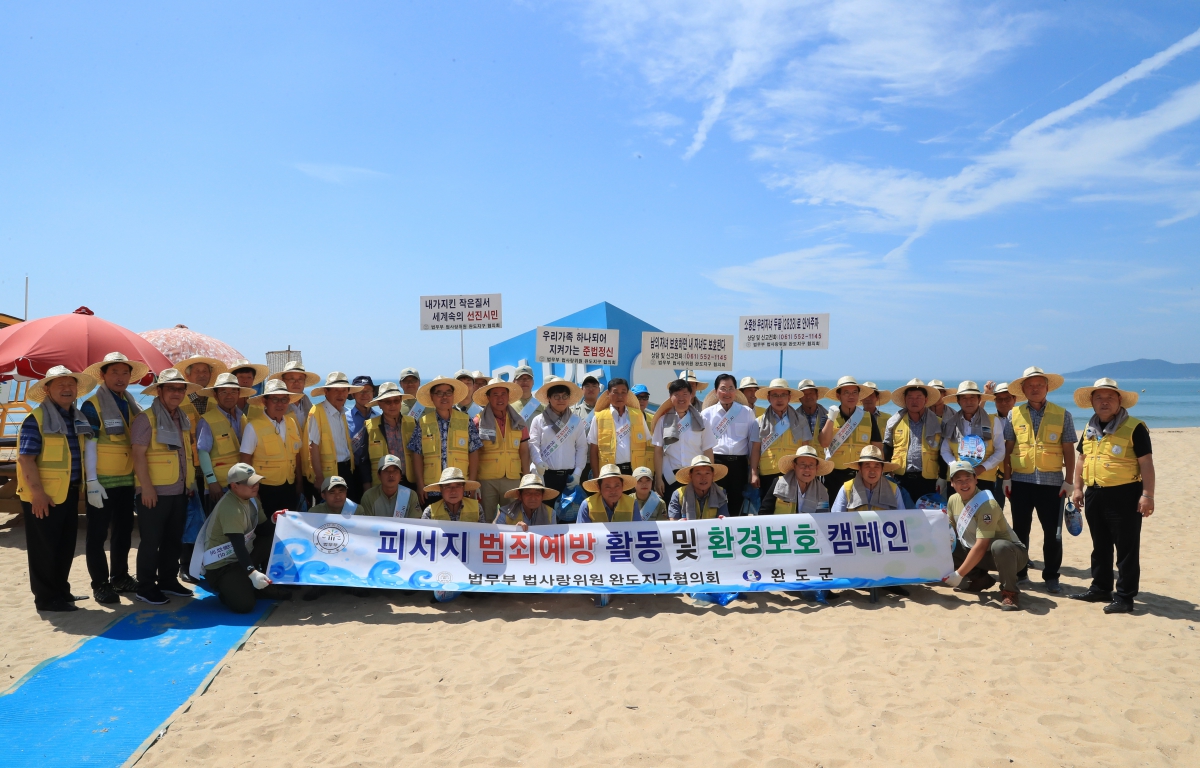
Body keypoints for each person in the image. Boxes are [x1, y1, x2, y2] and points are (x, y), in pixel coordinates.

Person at [1069, 379, 1155, 614]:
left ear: (1119, 401)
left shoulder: (1135, 427)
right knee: (1100, 546)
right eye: (1099, 398)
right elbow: (1082, 460)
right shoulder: (1089, 427)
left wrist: (1147, 495)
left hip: (1125, 494)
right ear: (1092, 403)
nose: (1104, 402)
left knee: (1126, 548)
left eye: (1110, 397)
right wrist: (1077, 488)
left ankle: (1125, 597)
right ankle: (1100, 588)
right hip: (1094, 494)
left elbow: (1146, 464)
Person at [16, 366, 97, 612]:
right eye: (59, 384)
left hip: (69, 491)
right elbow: (26, 459)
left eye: (70, 384)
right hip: (44, 496)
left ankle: (61, 591)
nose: (66, 388)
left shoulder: (76, 417)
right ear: (47, 390)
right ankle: (46, 598)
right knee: (44, 549)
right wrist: (37, 494)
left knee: (64, 546)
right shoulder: (36, 419)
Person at [80, 352, 148, 603]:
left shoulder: (131, 403)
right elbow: (89, 444)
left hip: (127, 479)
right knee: (97, 535)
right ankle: (100, 583)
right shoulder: (92, 405)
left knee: (124, 531)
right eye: (114, 372)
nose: (120, 378)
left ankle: (119, 577)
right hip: (102, 481)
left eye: (125, 373)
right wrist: (92, 482)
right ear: (103, 375)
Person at [1003, 366, 1076, 594]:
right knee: (1020, 531)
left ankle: (1051, 576)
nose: (1035, 389)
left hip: (1052, 483)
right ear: (1023, 389)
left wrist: (1070, 480)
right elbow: (1008, 449)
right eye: (1030, 385)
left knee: (1052, 534)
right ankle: (1021, 572)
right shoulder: (1013, 414)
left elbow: (1069, 450)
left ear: (1047, 388)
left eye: (1039, 385)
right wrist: (1006, 478)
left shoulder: (1063, 414)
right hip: (1021, 482)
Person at [131, 368, 200, 605]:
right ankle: (145, 586)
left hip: (179, 490)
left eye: (180, 389)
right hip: (154, 493)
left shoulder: (183, 418)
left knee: (173, 540)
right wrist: (146, 488)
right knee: (151, 541)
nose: (177, 393)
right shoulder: (146, 418)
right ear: (159, 391)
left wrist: (188, 483)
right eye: (171, 388)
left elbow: (185, 454)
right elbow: (138, 455)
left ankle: (168, 581)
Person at [190, 463, 284, 613]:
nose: (256, 485)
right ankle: (236, 587)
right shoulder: (231, 508)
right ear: (234, 486)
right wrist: (252, 573)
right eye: (250, 483)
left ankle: (265, 584)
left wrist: (274, 519)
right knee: (244, 606)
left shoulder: (252, 499)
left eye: (256, 481)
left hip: (241, 556)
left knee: (272, 537)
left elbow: (264, 529)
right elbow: (238, 545)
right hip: (222, 566)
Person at [943, 460, 1028, 611]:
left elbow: (982, 545)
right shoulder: (952, 500)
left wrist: (959, 574)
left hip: (1011, 555)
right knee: (945, 542)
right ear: (952, 483)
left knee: (999, 545)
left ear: (976, 479)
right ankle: (980, 579)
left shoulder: (988, 504)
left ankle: (1010, 593)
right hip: (981, 554)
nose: (964, 484)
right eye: (959, 480)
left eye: (968, 479)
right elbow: (950, 532)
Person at [239, 379, 305, 567]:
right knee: (265, 532)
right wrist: (253, 490)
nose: (280, 404)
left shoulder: (292, 423)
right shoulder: (254, 426)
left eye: (284, 399)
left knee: (287, 532)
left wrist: (299, 482)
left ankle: (283, 569)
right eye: (275, 399)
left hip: (289, 486)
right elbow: (245, 460)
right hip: (264, 490)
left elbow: (297, 455)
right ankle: (261, 571)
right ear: (264, 402)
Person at [407, 375, 482, 507]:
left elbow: (474, 452)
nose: (444, 397)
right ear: (432, 397)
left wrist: (472, 482)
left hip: (459, 487)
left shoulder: (466, 420)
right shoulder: (423, 422)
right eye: (439, 393)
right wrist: (420, 485)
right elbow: (417, 455)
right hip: (432, 489)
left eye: (448, 392)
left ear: (453, 396)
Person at [701, 373, 760, 517]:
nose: (727, 392)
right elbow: (702, 444)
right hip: (716, 462)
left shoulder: (746, 412)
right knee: (714, 502)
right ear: (716, 392)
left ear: (736, 391)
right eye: (723, 388)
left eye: (730, 388)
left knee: (736, 504)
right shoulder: (706, 414)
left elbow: (753, 444)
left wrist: (753, 471)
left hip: (739, 464)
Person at [472, 378, 530, 520]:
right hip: (486, 480)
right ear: (488, 398)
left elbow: (524, 451)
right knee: (484, 519)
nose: (500, 398)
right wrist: (473, 482)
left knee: (513, 518)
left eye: (503, 394)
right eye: (495, 395)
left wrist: (526, 479)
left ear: (508, 396)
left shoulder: (519, 421)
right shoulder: (478, 421)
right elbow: (474, 453)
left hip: (513, 478)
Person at [753, 378, 812, 515]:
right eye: (775, 395)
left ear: (789, 397)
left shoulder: (800, 420)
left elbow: (805, 448)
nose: (779, 399)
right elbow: (755, 449)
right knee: (767, 510)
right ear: (768, 398)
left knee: (793, 509)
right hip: (768, 473)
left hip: (792, 472)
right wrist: (753, 473)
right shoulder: (759, 422)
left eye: (783, 395)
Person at [819, 376, 882, 498]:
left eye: (854, 392)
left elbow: (877, 448)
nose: (851, 396)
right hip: (834, 474)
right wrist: (831, 418)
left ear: (859, 396)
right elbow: (824, 443)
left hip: (860, 473)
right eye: (846, 393)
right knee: (835, 511)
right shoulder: (827, 417)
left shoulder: (868, 417)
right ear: (839, 396)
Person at [652, 379, 715, 501]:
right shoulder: (662, 421)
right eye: (677, 395)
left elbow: (708, 450)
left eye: (685, 394)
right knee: (672, 514)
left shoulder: (702, 421)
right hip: (670, 476)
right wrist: (658, 478)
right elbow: (658, 451)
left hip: (695, 475)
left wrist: (710, 475)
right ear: (671, 397)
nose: (681, 398)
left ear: (691, 395)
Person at [883, 379, 944, 503]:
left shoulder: (939, 423)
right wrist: (885, 473)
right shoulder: (894, 422)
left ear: (926, 400)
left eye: (918, 397)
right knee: (902, 516)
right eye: (910, 397)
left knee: (926, 517)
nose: (914, 401)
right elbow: (887, 448)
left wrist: (942, 478)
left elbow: (943, 452)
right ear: (905, 400)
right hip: (901, 478)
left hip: (928, 480)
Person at [940, 381, 1006, 496]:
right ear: (958, 401)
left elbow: (1000, 451)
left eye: (972, 397)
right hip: (957, 479)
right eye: (964, 398)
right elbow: (945, 450)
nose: (968, 401)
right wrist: (956, 467)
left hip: (984, 477)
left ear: (979, 399)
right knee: (957, 513)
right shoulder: (951, 423)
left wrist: (982, 468)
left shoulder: (993, 421)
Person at [269, 360, 321, 505]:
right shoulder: (278, 404)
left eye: (300, 379)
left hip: (308, 466)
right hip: (289, 467)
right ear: (283, 381)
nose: (296, 383)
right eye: (291, 379)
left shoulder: (306, 401)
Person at [527, 376, 589, 498]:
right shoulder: (538, 420)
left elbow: (582, 447)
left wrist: (577, 473)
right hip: (545, 475)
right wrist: (538, 463)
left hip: (569, 477)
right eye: (556, 396)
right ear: (549, 398)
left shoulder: (575, 421)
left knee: (568, 516)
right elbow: (533, 444)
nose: (561, 400)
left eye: (565, 396)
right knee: (547, 513)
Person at [195, 373, 253, 502]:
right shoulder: (207, 420)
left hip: (242, 482)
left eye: (233, 391)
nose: (229, 396)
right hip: (220, 486)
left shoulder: (243, 418)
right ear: (215, 395)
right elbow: (203, 452)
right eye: (223, 392)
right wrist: (212, 481)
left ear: (239, 394)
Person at [307, 372, 362, 502]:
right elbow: (312, 446)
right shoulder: (317, 411)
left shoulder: (343, 412)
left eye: (344, 390)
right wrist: (319, 477)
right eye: (336, 390)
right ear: (326, 391)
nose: (340, 394)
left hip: (347, 469)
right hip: (328, 474)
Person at [590, 378, 653, 478]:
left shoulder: (638, 415)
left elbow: (646, 446)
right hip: (609, 472)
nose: (620, 396)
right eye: (615, 392)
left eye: (623, 392)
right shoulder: (599, 417)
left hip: (635, 471)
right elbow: (593, 450)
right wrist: (597, 476)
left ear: (627, 394)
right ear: (608, 394)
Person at [831, 446, 906, 513]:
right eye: (867, 466)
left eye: (876, 466)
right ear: (860, 468)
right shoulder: (847, 488)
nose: (872, 471)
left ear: (882, 469)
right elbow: (836, 519)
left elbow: (902, 518)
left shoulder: (893, 489)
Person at [364, 382, 411, 488]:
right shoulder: (369, 426)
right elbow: (364, 461)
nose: (393, 405)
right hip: (382, 484)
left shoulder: (413, 423)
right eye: (388, 402)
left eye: (396, 401)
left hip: (409, 482)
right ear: (380, 404)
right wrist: (366, 486)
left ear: (401, 402)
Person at [772, 445, 832, 515]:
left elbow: (823, 517)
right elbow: (764, 513)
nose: (807, 469)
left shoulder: (822, 492)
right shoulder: (779, 483)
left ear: (817, 468)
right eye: (802, 465)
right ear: (795, 466)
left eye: (811, 465)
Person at [346, 375, 379, 499]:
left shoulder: (379, 417)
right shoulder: (344, 418)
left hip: (375, 470)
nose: (364, 394)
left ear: (373, 393)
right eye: (360, 391)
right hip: (352, 473)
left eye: (368, 390)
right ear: (353, 394)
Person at [667, 455, 729, 520]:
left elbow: (725, 519)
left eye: (707, 473)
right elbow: (673, 522)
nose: (703, 478)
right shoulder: (678, 494)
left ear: (713, 475)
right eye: (698, 473)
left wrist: (723, 520)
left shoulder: (720, 492)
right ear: (691, 475)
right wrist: (679, 524)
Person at [988, 381, 1018, 510]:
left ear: (1014, 399)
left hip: (1017, 472)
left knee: (1019, 511)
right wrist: (985, 394)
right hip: (996, 473)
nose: (1003, 402)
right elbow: (974, 414)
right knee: (994, 510)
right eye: (999, 399)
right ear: (994, 401)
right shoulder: (989, 420)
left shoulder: (1022, 419)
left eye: (1007, 398)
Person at [495, 473, 560, 527]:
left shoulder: (551, 513)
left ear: (542, 496)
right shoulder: (506, 514)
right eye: (528, 493)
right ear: (520, 495)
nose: (533, 497)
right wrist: (514, 531)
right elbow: (496, 535)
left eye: (537, 493)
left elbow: (553, 537)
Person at [794, 379, 830, 446]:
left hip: (822, 456)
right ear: (800, 398)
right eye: (804, 394)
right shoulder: (793, 418)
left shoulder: (828, 416)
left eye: (811, 393)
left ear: (817, 395)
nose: (808, 396)